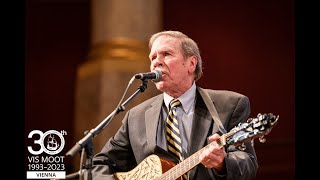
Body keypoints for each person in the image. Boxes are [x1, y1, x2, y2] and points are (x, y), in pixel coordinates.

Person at [91, 30, 258, 180]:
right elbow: (101, 164)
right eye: (153, 57)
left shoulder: (229, 105)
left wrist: (222, 163)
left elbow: (248, 164)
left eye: (166, 54)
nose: (157, 62)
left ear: (191, 64)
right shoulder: (136, 116)